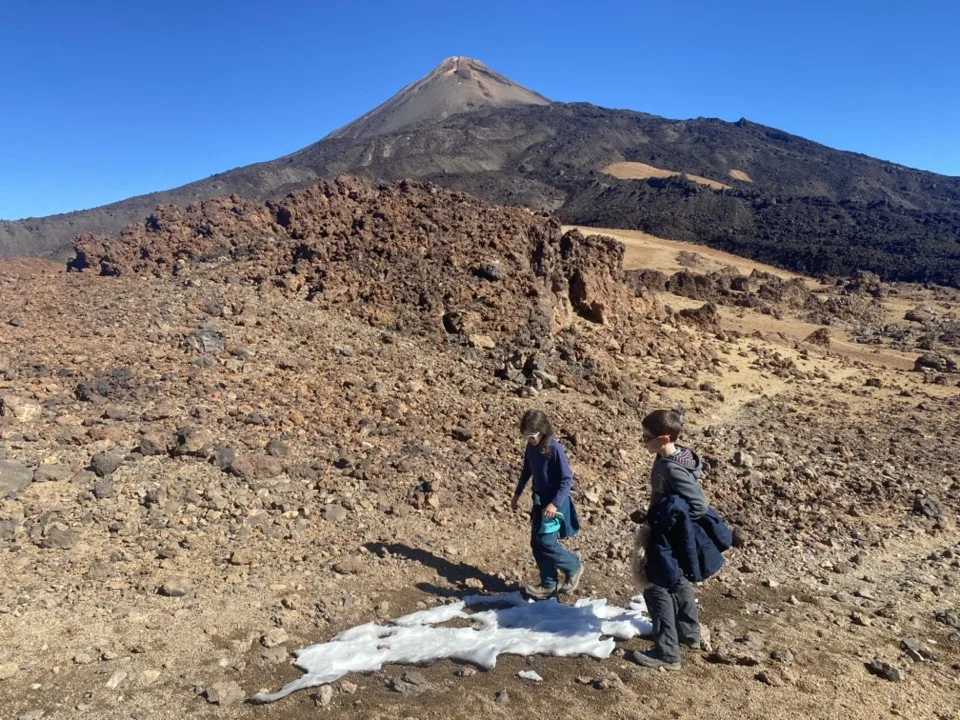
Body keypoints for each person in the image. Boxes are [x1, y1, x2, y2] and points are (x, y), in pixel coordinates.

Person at [631, 408, 730, 670]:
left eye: (647, 437)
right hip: (670, 531)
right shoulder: (679, 457)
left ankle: (667, 653)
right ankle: (689, 633)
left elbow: (698, 505)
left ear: (664, 439)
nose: (643, 441)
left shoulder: (671, 468)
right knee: (676, 579)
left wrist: (667, 518)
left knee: (655, 584)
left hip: (665, 534)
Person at [511, 409, 583, 599]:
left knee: (546, 542)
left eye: (532, 436)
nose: (529, 440)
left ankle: (573, 565)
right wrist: (517, 494)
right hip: (539, 501)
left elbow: (567, 479)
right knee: (536, 543)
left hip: (554, 505)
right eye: (526, 437)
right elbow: (527, 470)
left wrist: (554, 504)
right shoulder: (531, 447)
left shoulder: (554, 448)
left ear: (542, 431)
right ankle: (548, 584)